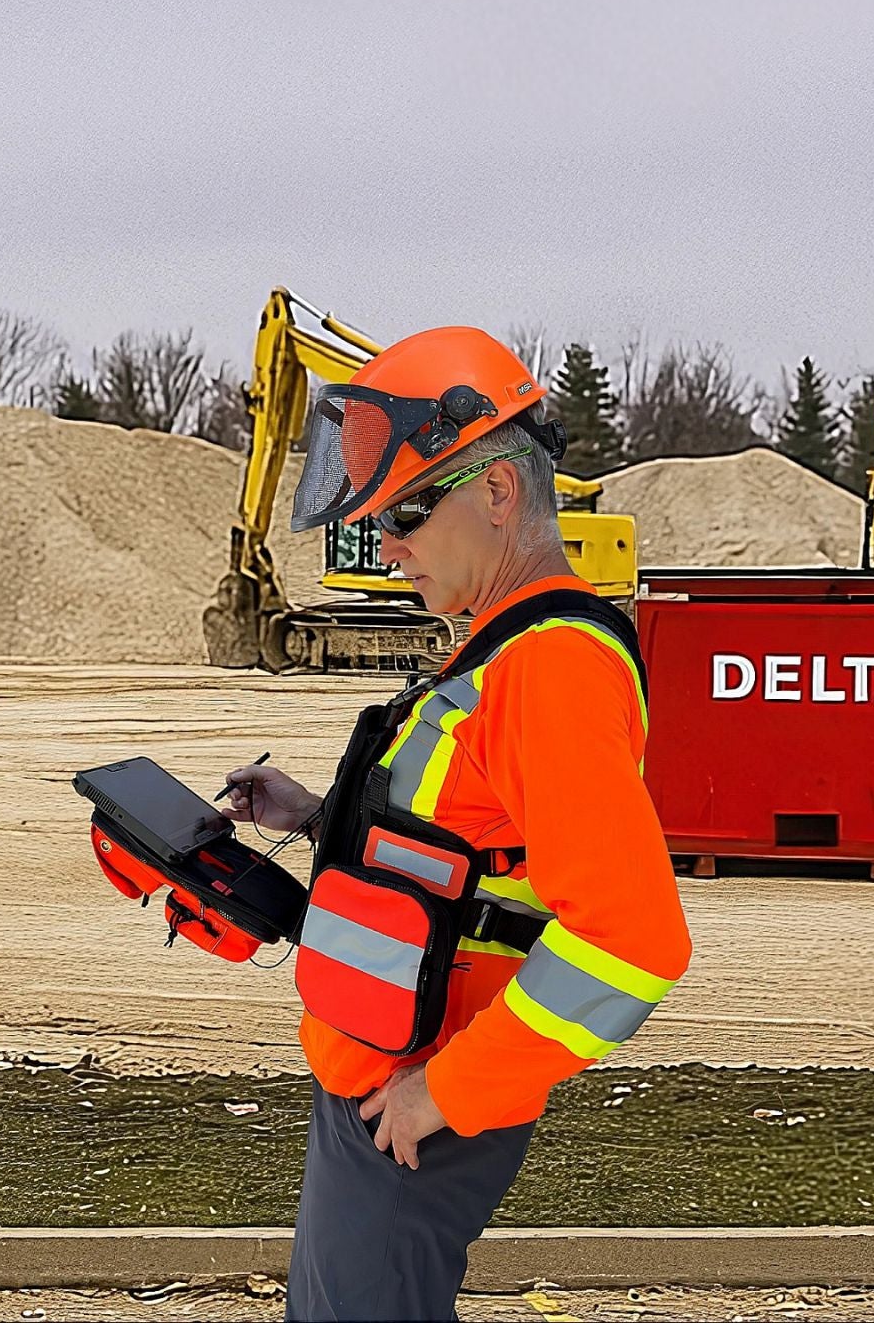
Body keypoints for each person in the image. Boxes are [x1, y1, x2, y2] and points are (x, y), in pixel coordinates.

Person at [221, 328, 692, 1321]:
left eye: (404, 513)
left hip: (417, 1101)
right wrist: (316, 816)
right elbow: (470, 846)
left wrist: (445, 1093)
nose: (385, 546)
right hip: (378, 1073)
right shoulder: (500, 647)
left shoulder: (550, 670)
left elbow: (632, 939)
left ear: (497, 491)